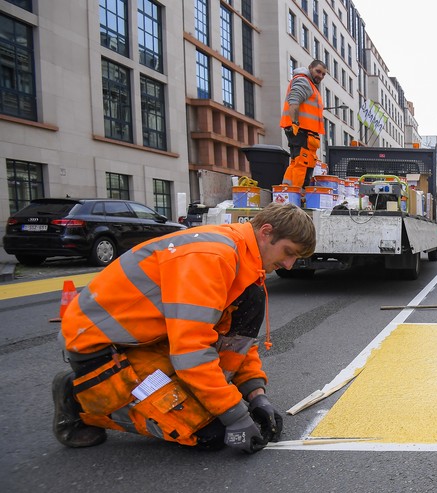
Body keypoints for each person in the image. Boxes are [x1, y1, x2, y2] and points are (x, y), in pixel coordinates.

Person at [54, 203, 316, 454]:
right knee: (208, 433)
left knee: (251, 299)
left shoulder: (241, 261)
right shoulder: (212, 257)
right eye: (288, 252)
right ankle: (82, 395)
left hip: (151, 340)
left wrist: (255, 393)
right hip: (102, 349)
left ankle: (205, 392)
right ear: (266, 232)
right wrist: (234, 414)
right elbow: (191, 351)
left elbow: (234, 338)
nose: (289, 265)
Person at [280, 60, 327, 189]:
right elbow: (294, 101)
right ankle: (295, 194)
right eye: (318, 71)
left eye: (323, 74)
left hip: (304, 132)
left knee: (297, 163)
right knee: (302, 163)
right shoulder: (304, 81)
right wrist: (295, 123)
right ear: (310, 68)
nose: (320, 76)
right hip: (301, 131)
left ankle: (288, 191)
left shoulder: (309, 84)